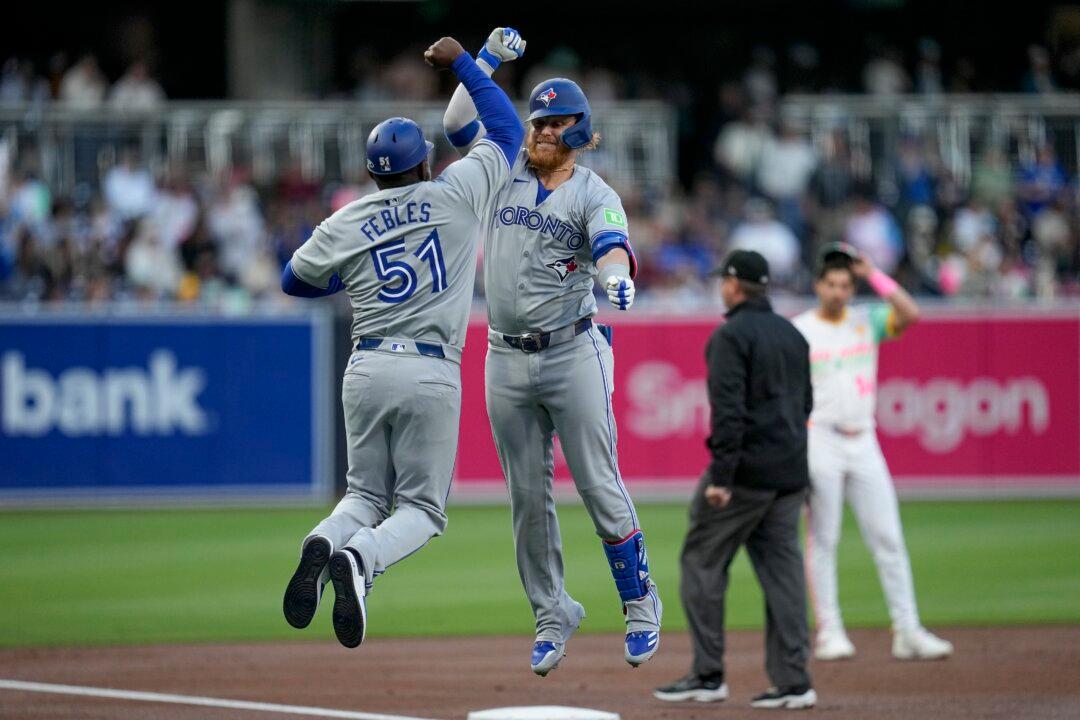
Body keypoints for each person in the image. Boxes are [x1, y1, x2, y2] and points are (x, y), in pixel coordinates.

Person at [279, 35, 524, 649]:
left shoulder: (349, 219)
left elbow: (294, 279)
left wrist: (349, 274)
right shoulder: (458, 190)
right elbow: (506, 129)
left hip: (364, 363)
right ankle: (359, 561)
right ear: (424, 163)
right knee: (421, 510)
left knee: (364, 493)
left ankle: (324, 540)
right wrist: (471, 63)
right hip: (429, 367)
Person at [442, 28, 661, 676]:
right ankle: (551, 613)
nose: (540, 130)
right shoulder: (503, 163)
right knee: (525, 498)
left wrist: (617, 271)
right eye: (537, 120)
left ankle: (640, 602)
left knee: (598, 482)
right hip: (505, 357)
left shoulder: (593, 191)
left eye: (554, 121)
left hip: (572, 351)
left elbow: (612, 244)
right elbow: (456, 122)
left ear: (578, 130)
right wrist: (483, 60)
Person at [656, 250, 816, 710]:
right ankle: (794, 682)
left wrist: (722, 477)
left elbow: (728, 413)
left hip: (744, 475)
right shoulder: (793, 334)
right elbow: (806, 404)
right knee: (784, 578)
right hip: (789, 474)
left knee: (702, 563)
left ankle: (707, 675)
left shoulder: (731, 337)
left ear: (732, 285)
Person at [793, 243, 953, 662]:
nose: (839, 291)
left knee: (888, 536)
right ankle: (829, 631)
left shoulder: (866, 321)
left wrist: (874, 273)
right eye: (831, 284)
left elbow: (911, 314)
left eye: (846, 284)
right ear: (818, 286)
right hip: (820, 438)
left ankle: (908, 630)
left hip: (864, 437)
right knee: (823, 537)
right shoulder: (801, 329)